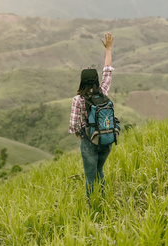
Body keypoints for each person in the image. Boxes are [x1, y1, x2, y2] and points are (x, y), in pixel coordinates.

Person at [68, 32, 114, 207]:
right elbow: (107, 71)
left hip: (89, 141)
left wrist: (84, 138)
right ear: (96, 80)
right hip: (107, 138)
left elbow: (73, 126)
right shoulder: (103, 91)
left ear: (81, 81)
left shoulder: (78, 100)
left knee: (89, 176)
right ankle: (103, 200)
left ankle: (93, 207)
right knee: (99, 170)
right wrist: (108, 49)